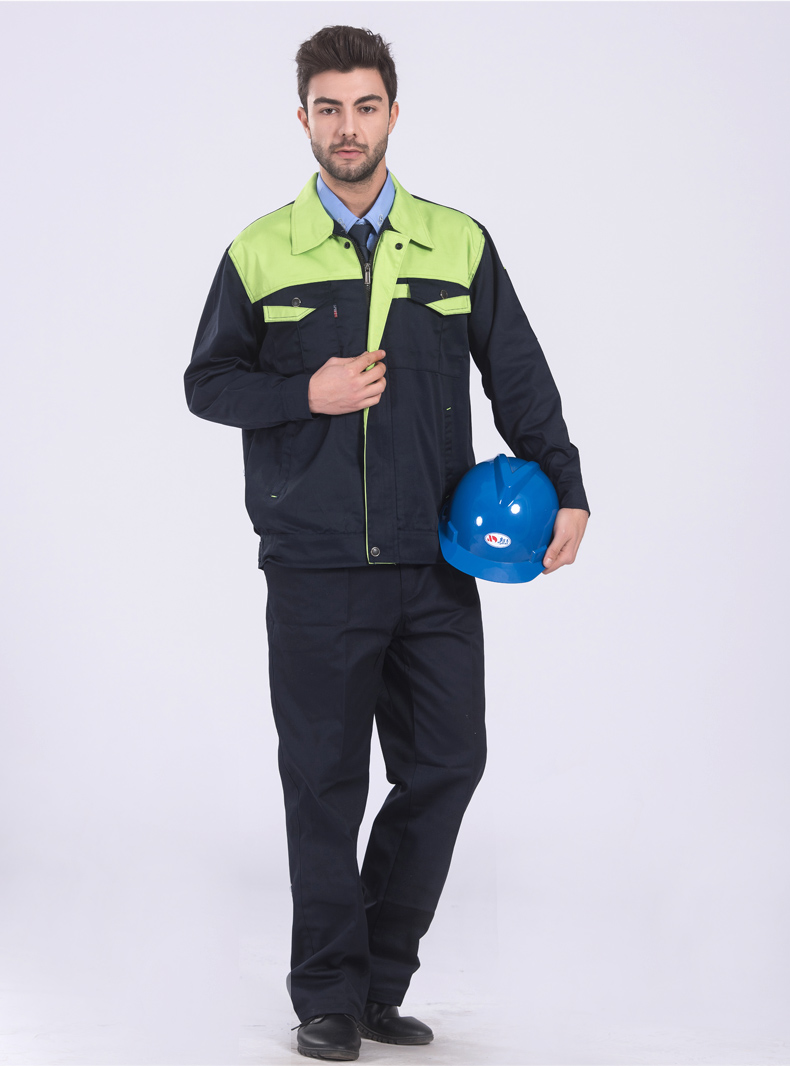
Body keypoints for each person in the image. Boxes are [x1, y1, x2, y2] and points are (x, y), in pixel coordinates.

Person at [184, 24, 589, 1062]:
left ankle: (376, 979)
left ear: (393, 114)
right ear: (304, 119)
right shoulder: (261, 250)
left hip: (433, 559)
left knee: (449, 762)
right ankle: (328, 996)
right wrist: (304, 392)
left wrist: (568, 486)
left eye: (365, 106)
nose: (348, 127)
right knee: (324, 784)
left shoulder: (456, 243)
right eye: (328, 108)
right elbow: (207, 382)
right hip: (314, 565)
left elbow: (518, 376)